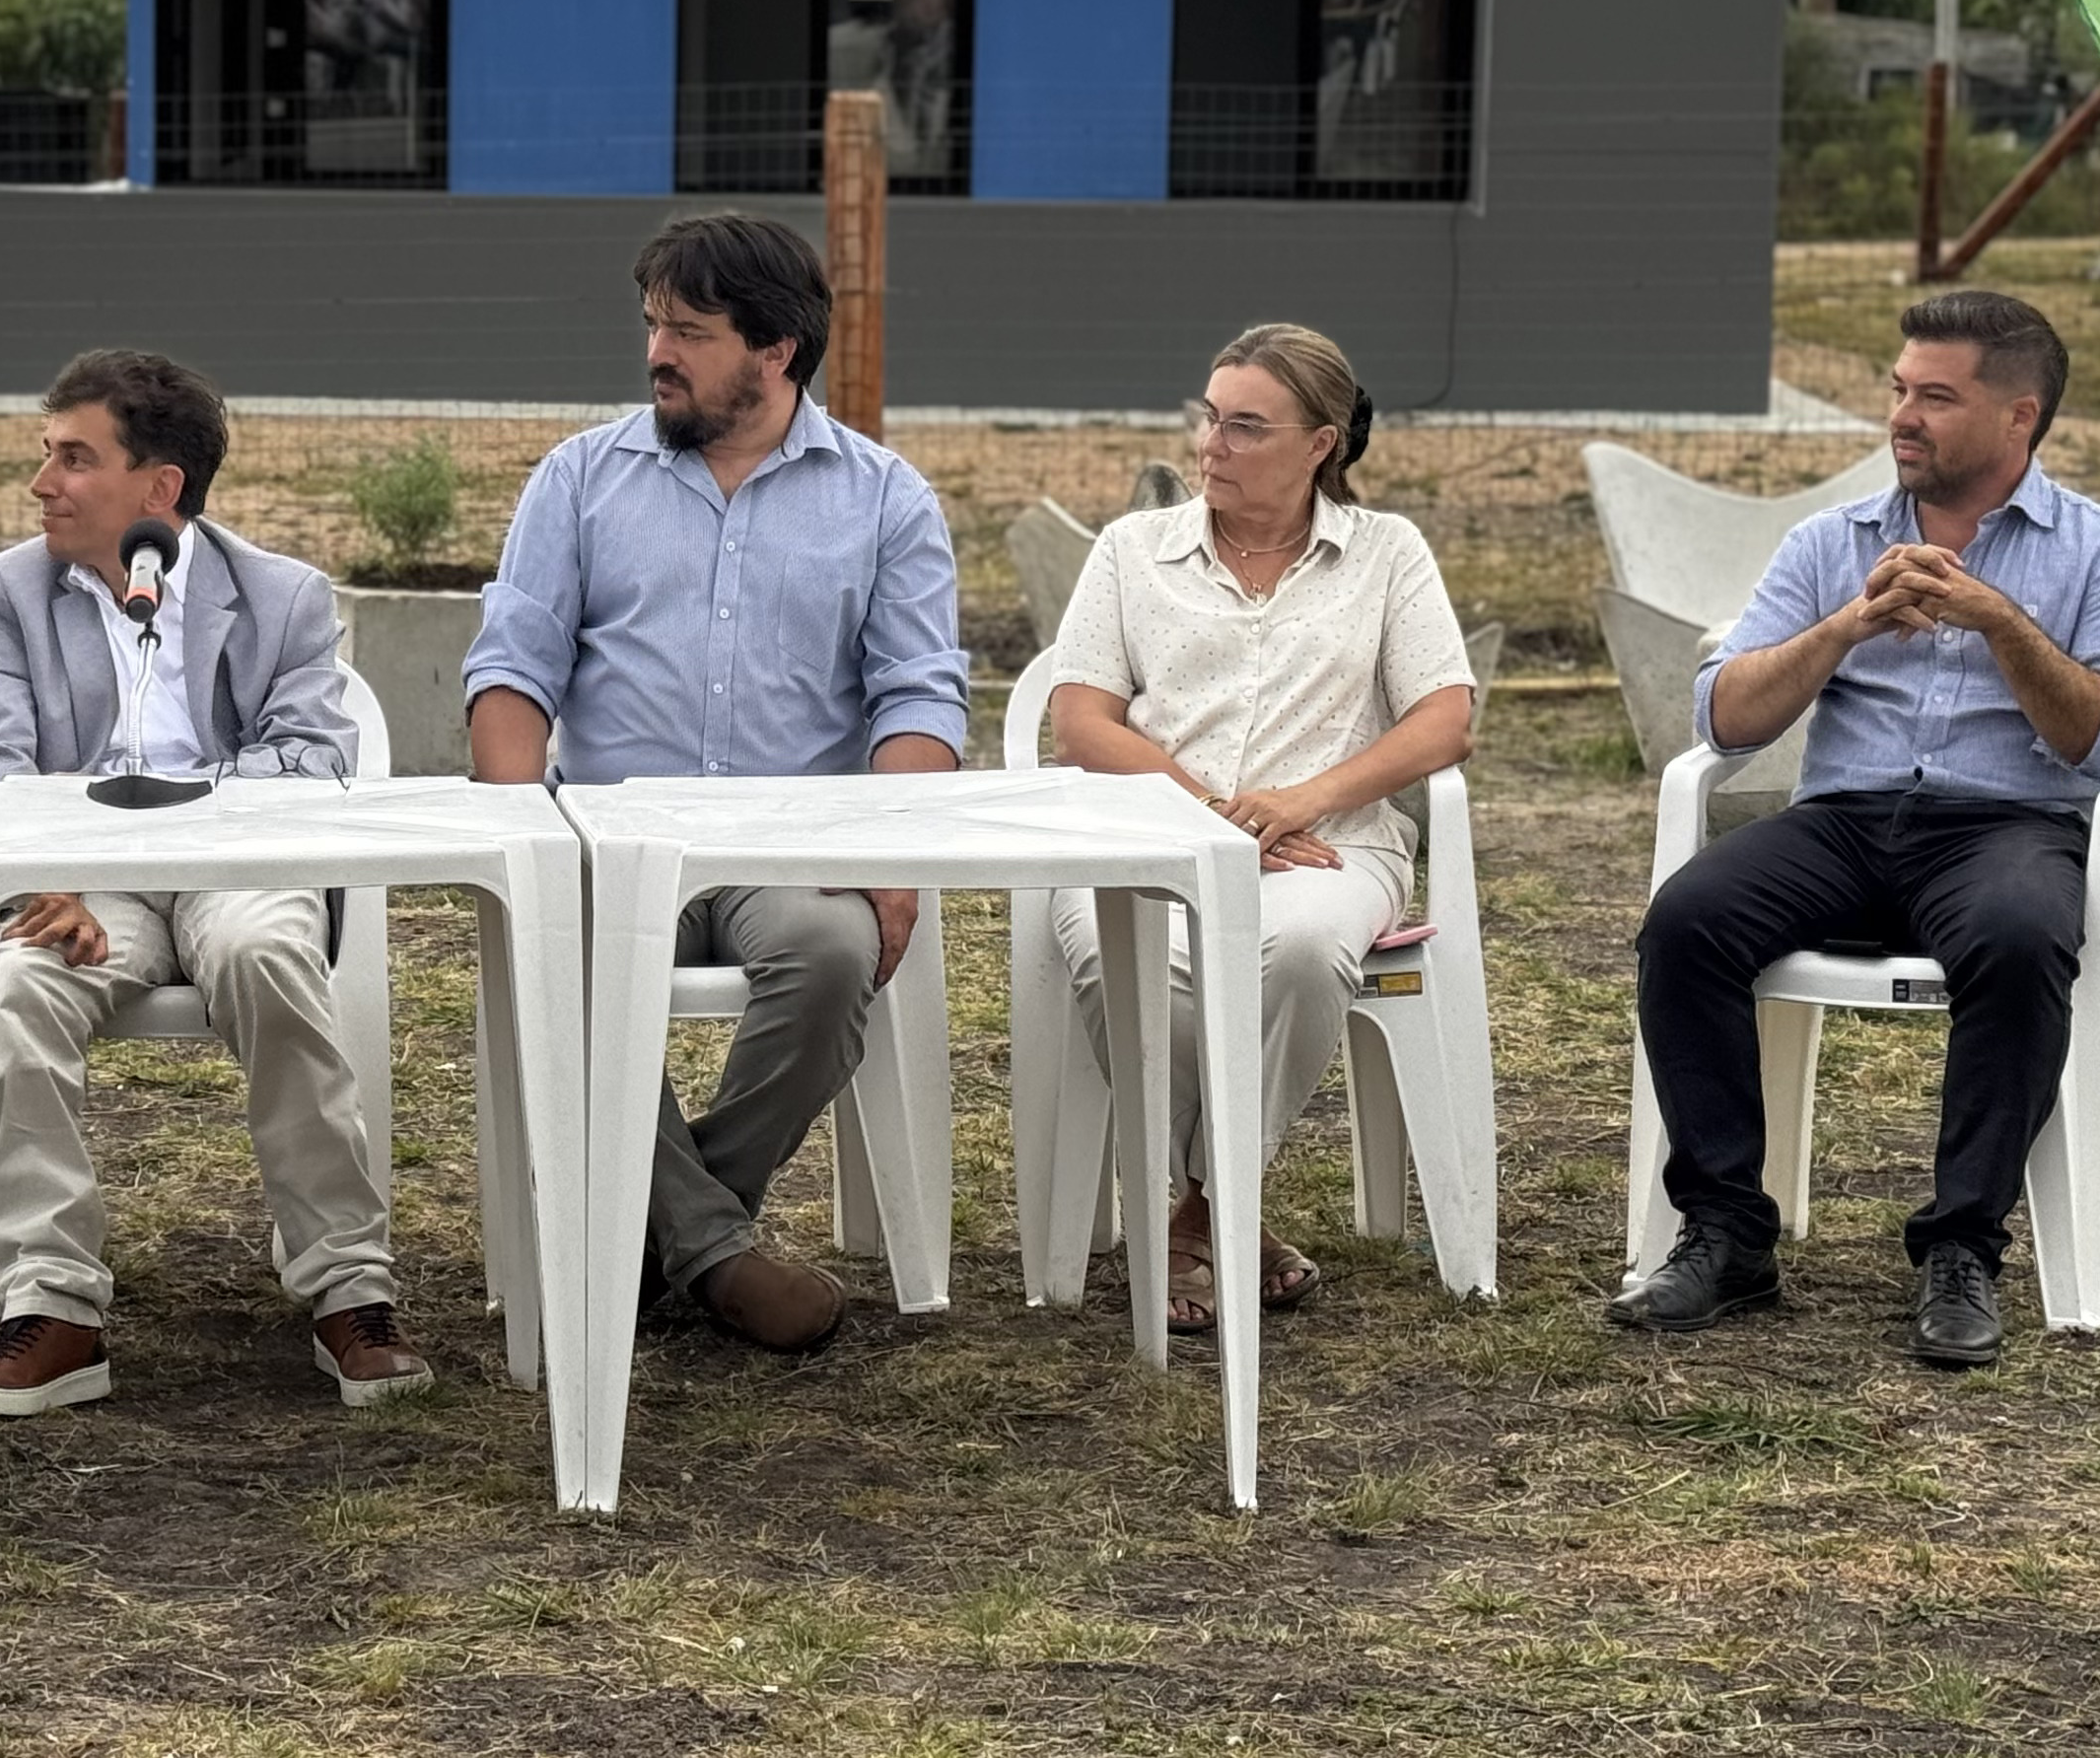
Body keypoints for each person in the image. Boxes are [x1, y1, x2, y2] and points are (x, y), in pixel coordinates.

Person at [1612, 289, 2100, 1368]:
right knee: (1686, 922)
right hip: (1846, 820)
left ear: (2020, 416)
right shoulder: (1832, 540)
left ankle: (1962, 1248)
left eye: (1937, 398)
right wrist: (1849, 624)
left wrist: (2002, 622)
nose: (1902, 417)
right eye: (1899, 391)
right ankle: (1729, 1232)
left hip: (2009, 825)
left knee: (2018, 938)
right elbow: (1725, 714)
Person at [463, 212, 969, 1353]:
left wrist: (888, 853)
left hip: (789, 844)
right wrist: (519, 834)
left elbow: (920, 698)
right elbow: (511, 669)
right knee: (561, 953)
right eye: (652, 324)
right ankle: (718, 1257)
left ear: (776, 351)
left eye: (689, 331)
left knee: (836, 950)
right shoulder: (579, 480)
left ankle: (657, 1245)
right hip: (611, 834)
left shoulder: (886, 500)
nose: (658, 352)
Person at [0, 349, 431, 1417]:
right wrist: (47, 875)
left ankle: (349, 1286)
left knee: (267, 956)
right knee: (20, 986)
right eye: (45, 455)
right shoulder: (12, 591)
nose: (43, 484)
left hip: (239, 867)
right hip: (83, 885)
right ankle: (52, 1303)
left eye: (74, 459)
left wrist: (182, 818)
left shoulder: (285, 595)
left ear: (159, 488)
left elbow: (310, 760)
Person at [1039, 324, 1477, 1331]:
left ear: (1320, 443)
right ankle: (1226, 1209)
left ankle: (1195, 1210)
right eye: (1209, 417)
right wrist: (1216, 817)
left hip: (1328, 848)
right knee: (1132, 960)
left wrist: (1299, 803)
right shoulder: (1131, 551)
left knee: (1303, 948)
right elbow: (1080, 721)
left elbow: (1445, 718)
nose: (1212, 446)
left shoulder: (1387, 554)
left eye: (1245, 427)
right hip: (1143, 835)